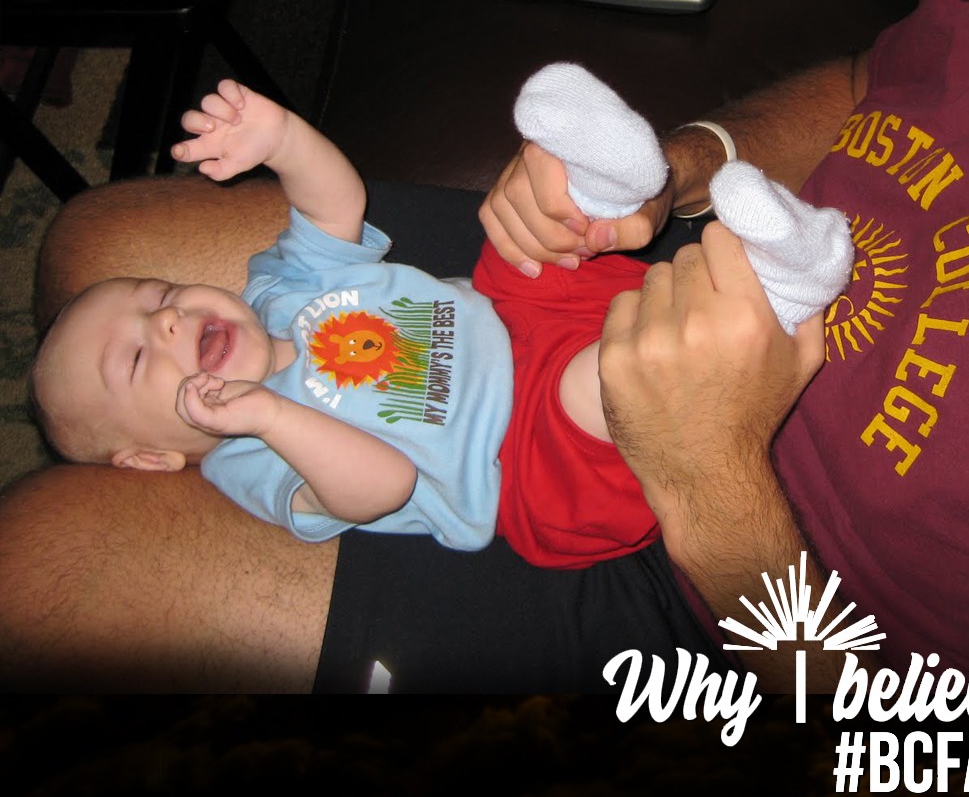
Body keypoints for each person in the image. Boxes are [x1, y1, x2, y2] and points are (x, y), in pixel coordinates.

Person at [1, 0, 969, 693]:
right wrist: (681, 168)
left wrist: (707, 476)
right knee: (95, 245)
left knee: (36, 572)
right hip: (629, 282)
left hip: (726, 590)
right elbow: (870, 79)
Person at [31, 71, 852, 570]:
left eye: (157, 296)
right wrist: (268, 412)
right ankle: (784, 280)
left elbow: (335, 202)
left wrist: (279, 137)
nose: (170, 323)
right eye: (139, 359)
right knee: (591, 387)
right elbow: (380, 486)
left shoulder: (279, 289)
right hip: (530, 462)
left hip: (516, 318)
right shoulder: (247, 462)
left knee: (519, 247)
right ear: (148, 457)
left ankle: (612, 178)